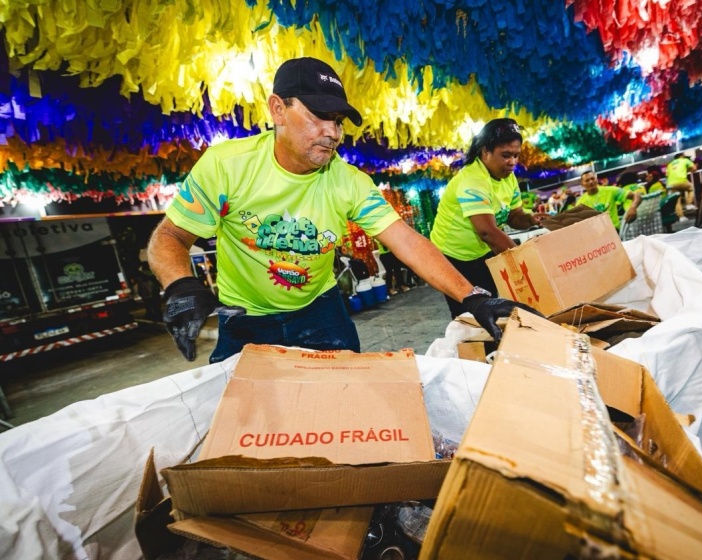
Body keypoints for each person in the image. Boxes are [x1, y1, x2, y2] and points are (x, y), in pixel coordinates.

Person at [147, 57, 540, 362]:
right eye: (318, 116)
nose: (332, 132)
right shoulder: (226, 166)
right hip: (244, 318)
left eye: (337, 120)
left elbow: (404, 239)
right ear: (278, 109)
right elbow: (170, 236)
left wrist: (471, 296)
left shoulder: (348, 180)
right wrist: (181, 286)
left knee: (343, 409)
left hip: (321, 311)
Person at [428, 118, 549, 318]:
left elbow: (513, 215)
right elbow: (487, 232)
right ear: (485, 152)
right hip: (452, 257)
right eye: (506, 155)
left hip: (481, 252)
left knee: (491, 301)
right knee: (468, 314)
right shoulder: (472, 180)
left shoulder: (507, 177)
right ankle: (472, 348)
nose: (512, 162)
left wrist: (530, 220)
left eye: (516, 155)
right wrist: (526, 262)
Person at [575, 170, 642, 230]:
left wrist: (633, 207)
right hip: (595, 235)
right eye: (587, 180)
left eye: (592, 179)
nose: (591, 182)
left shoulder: (610, 190)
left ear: (597, 180)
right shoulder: (580, 202)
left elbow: (636, 196)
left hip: (614, 230)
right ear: (582, 184)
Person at [666, 153, 697, 219]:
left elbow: (667, 174)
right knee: (691, 188)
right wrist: (689, 171)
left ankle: (681, 217)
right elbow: (694, 168)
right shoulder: (684, 160)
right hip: (681, 180)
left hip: (671, 183)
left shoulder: (670, 164)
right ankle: (689, 204)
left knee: (677, 199)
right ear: (682, 156)